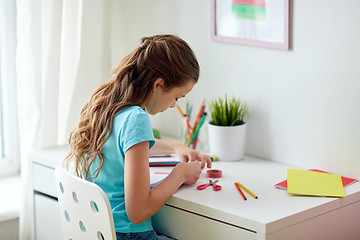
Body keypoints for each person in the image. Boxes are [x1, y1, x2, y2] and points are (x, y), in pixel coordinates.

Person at [64, 34, 212, 240]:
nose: (173, 105)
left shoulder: (106, 106)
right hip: (130, 235)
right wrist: (180, 174)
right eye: (176, 97)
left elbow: (127, 144)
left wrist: (175, 148)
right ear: (158, 84)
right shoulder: (137, 118)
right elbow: (138, 212)